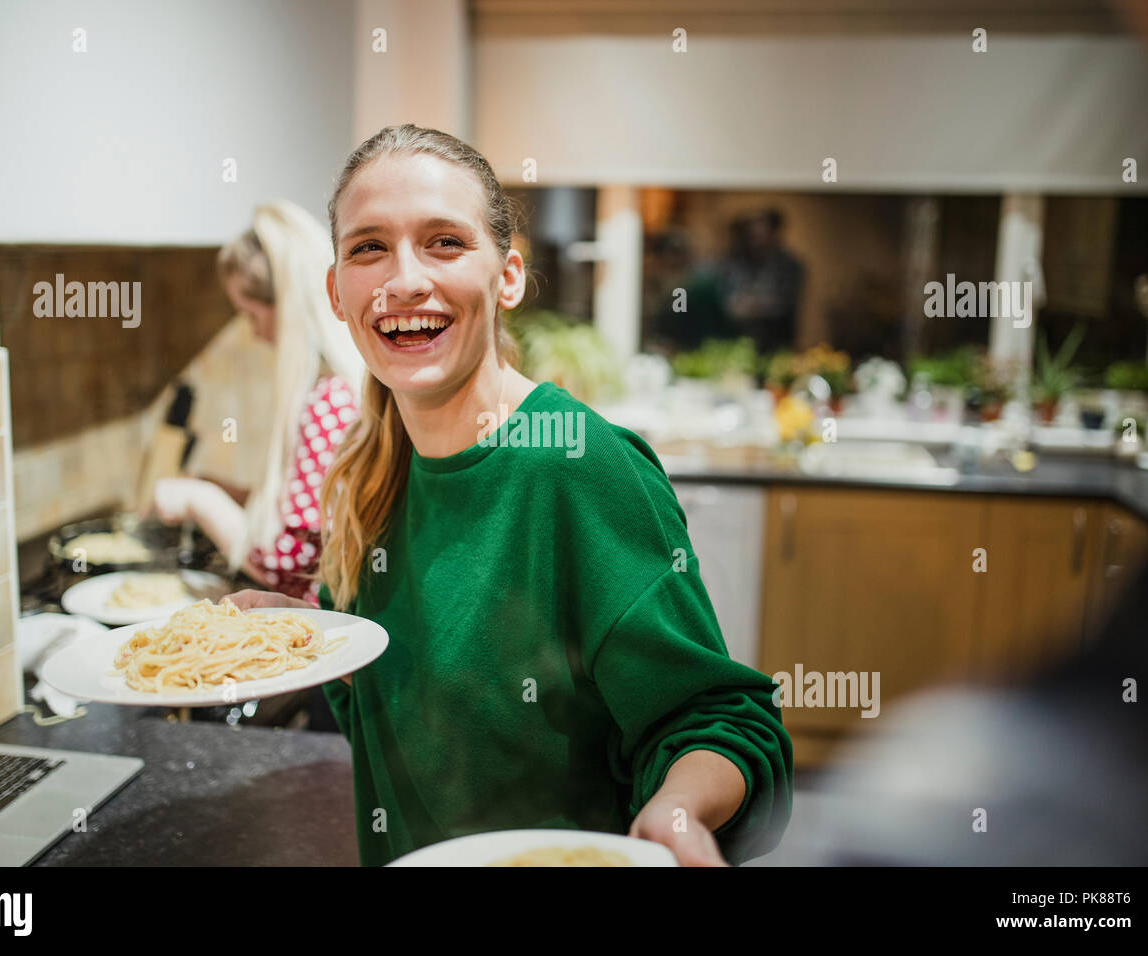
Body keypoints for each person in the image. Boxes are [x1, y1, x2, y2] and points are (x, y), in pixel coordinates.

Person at [226, 124, 792, 867]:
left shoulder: (580, 466)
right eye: (369, 247)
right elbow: (406, 698)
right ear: (336, 291)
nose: (403, 280)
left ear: (509, 278)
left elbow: (721, 719)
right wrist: (312, 634)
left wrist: (679, 808)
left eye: (444, 242)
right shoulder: (365, 466)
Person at [153, 201, 365, 605]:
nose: (255, 333)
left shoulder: (330, 401)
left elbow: (286, 563)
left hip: (328, 631)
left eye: (252, 315)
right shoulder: (344, 387)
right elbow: (311, 512)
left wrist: (200, 501)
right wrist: (227, 490)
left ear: (286, 311)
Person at [718, 210, 805, 355]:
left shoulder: (788, 265)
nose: (757, 242)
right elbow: (729, 301)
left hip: (777, 342)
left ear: (774, 235)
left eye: (761, 236)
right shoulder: (738, 261)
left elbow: (783, 304)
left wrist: (751, 305)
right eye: (752, 237)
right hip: (741, 341)